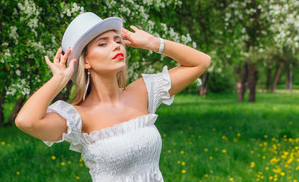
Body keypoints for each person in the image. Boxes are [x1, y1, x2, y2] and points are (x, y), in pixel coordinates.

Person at [15, 12, 211, 181]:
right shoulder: (78, 117)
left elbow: (201, 62)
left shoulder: (143, 91)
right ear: (85, 62)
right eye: (103, 43)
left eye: (118, 41)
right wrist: (58, 80)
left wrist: (154, 43)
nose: (116, 46)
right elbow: (26, 121)